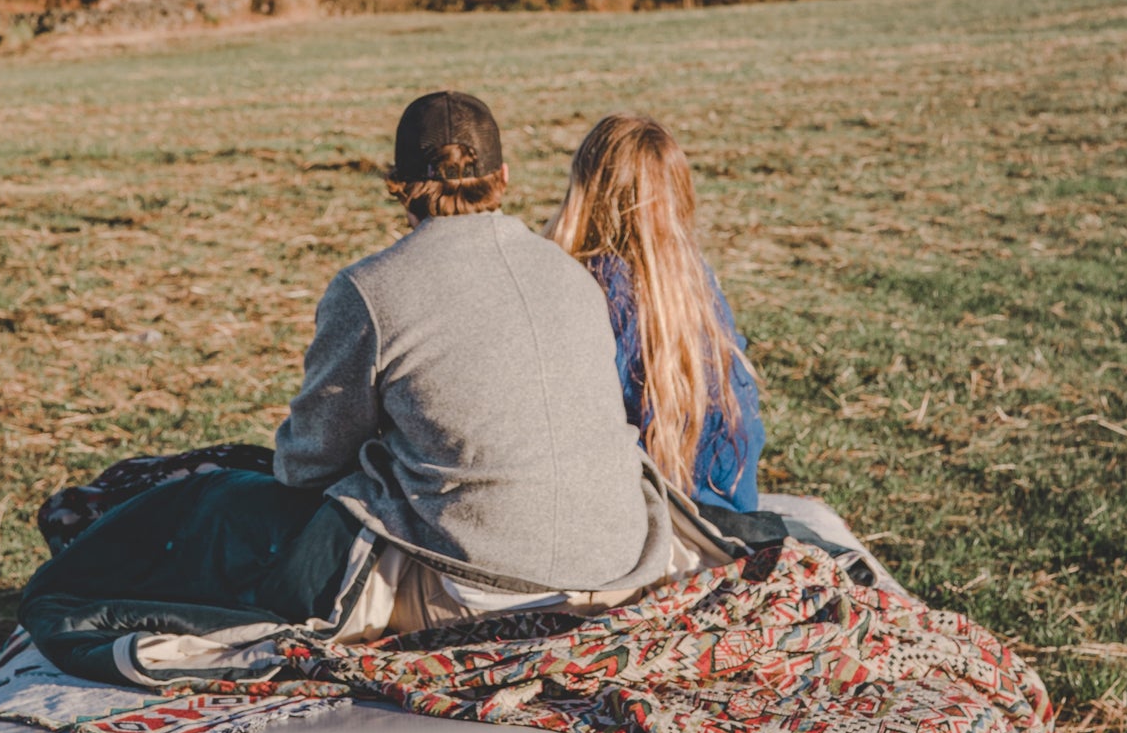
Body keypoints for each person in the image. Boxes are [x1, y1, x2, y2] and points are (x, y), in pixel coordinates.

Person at [272, 89, 672, 602]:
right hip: (623, 562)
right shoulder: (571, 273)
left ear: (398, 185)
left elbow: (310, 462)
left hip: (480, 579)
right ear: (502, 176)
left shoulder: (369, 289)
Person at [548, 114, 764, 512]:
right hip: (725, 509)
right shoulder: (695, 283)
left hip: (637, 515)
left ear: (584, 189)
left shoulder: (582, 287)